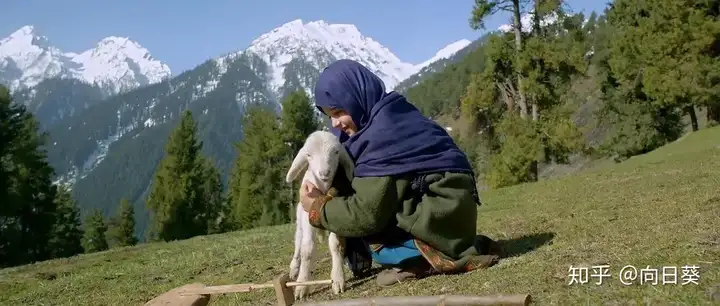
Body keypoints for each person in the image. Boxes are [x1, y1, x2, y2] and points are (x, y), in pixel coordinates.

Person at [299, 59, 502, 287]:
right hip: (453, 219)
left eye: (338, 112)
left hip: (442, 219)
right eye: (329, 115)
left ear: (355, 99)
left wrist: (317, 206)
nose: (334, 123)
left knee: (375, 245)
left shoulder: (381, 137)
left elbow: (366, 214)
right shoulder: (390, 114)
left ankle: (424, 259)